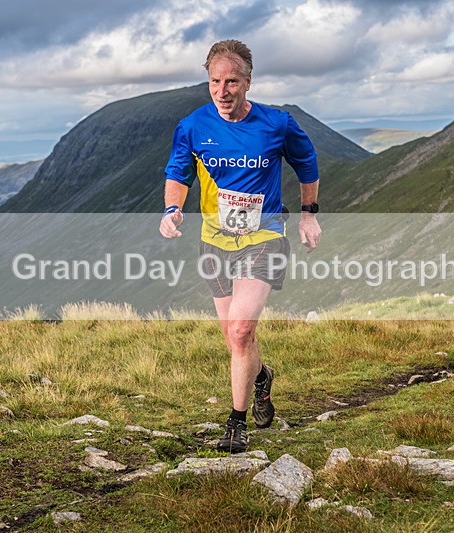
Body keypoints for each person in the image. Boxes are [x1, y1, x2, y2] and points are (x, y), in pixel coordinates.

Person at [159, 39, 321, 453]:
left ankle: (236, 421)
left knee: (241, 327)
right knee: (236, 341)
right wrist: (172, 209)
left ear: (248, 82)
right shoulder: (194, 125)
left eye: (232, 81)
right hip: (214, 241)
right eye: (215, 81)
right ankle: (261, 376)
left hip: (265, 235)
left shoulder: (277, 123)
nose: (223, 91)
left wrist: (308, 213)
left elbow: (307, 163)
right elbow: (178, 171)